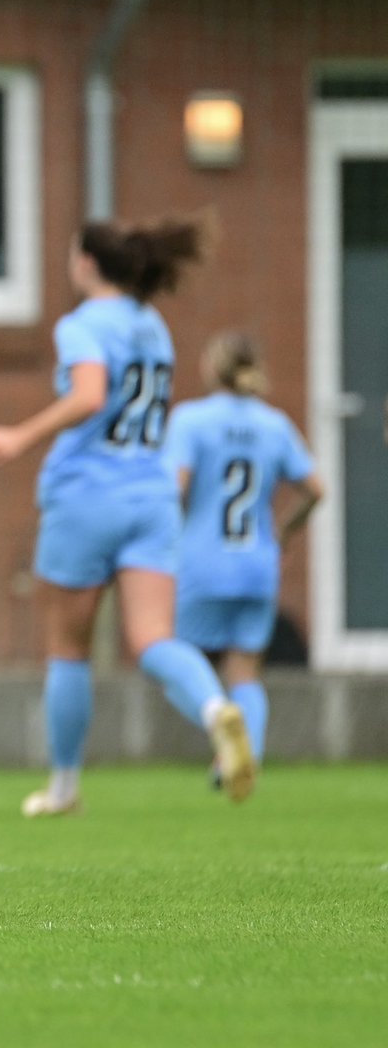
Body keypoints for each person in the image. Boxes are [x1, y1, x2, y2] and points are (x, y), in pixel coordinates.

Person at [0, 217, 255, 815]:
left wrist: (19, 438)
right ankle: (216, 711)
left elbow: (90, 395)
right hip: (152, 496)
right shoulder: (153, 326)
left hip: (86, 495)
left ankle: (64, 787)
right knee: (154, 638)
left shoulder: (82, 325)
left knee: (67, 647)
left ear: (84, 264)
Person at [165, 332, 323, 778]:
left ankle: (219, 722)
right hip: (257, 563)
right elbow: (316, 490)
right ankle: (242, 753)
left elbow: (174, 488)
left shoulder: (191, 421)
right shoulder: (274, 424)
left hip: (202, 563)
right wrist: (285, 530)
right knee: (246, 671)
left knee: (171, 657)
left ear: (211, 369)